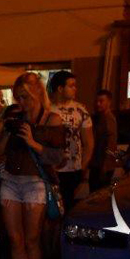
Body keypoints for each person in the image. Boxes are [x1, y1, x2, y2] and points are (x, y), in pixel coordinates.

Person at [0, 73, 65, 259]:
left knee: (32, 240)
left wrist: (33, 142)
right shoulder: (15, 117)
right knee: (16, 240)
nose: (21, 102)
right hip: (11, 182)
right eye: (18, 97)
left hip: (35, 183)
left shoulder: (52, 119)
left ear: (36, 94)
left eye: (25, 97)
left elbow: (58, 157)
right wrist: (7, 131)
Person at [48, 70, 94, 206]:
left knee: (68, 203)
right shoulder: (47, 110)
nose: (75, 89)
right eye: (71, 85)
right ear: (60, 88)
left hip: (73, 169)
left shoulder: (80, 110)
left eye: (75, 85)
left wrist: (82, 167)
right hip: (51, 168)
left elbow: (88, 142)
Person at [88, 89, 118, 191]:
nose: (98, 104)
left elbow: (111, 143)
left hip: (103, 165)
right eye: (96, 101)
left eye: (101, 101)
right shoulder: (97, 118)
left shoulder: (109, 119)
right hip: (97, 163)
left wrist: (106, 165)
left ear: (109, 102)